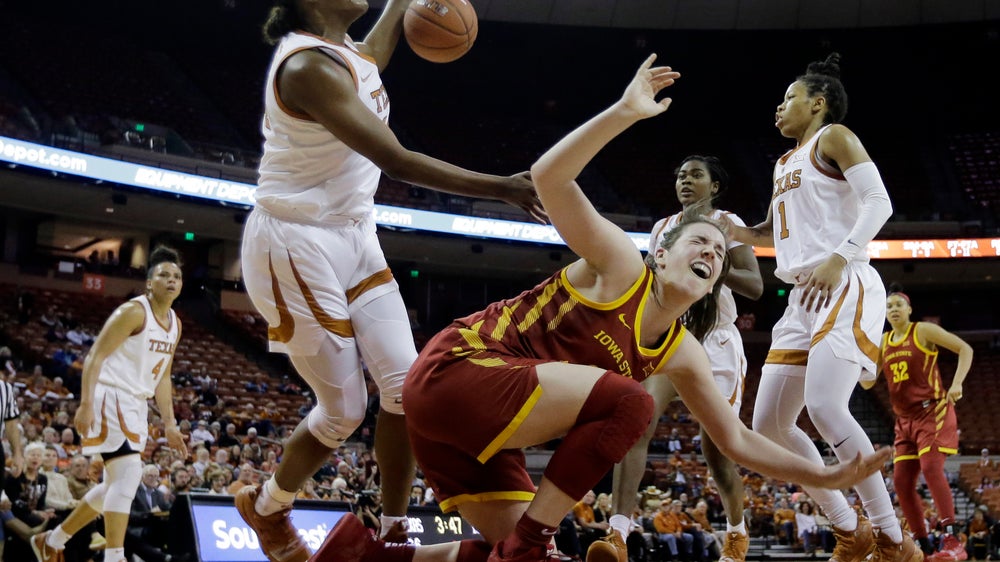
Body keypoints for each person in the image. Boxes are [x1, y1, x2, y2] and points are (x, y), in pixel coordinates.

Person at [308, 55, 891, 562]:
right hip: (459, 370)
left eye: (719, 251)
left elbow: (740, 442)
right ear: (660, 254)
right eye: (698, 242)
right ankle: (543, 536)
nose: (712, 253)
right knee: (631, 404)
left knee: (506, 554)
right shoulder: (620, 263)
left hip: (476, 436)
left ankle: (365, 553)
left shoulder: (682, 351)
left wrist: (823, 475)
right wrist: (624, 111)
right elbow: (548, 176)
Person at [234, 0, 544, 559]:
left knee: (409, 391)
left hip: (353, 231)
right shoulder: (306, 68)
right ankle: (270, 507)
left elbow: (371, 56)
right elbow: (396, 160)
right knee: (344, 412)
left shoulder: (345, 52)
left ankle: (393, 527)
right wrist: (502, 187)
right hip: (293, 240)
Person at [725, 52, 919, 562]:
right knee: (766, 424)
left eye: (788, 98)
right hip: (799, 297)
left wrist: (839, 257)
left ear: (818, 102)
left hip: (844, 279)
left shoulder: (834, 137)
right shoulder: (784, 162)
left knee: (827, 407)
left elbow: (880, 202)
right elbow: (773, 229)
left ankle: (892, 537)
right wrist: (738, 233)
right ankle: (847, 525)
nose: (778, 107)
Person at [594, 154, 763, 562]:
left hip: (716, 341)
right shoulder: (661, 228)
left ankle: (737, 533)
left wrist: (709, 264)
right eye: (681, 175)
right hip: (671, 335)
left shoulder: (727, 222)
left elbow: (755, 286)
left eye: (695, 175)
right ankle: (618, 532)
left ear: (715, 186)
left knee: (718, 451)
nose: (685, 181)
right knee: (636, 422)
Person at [30, 246, 188, 562]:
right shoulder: (133, 312)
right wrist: (86, 403)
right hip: (111, 394)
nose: (171, 280)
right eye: (164, 275)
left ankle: (52, 539)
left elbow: (164, 377)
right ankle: (114, 557)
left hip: (136, 403)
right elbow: (95, 356)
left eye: (177, 276)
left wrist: (170, 423)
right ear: (149, 282)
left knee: (115, 485)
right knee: (129, 476)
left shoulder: (175, 323)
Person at [860, 288, 974, 561]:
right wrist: (853, 355)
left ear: (909, 309)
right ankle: (924, 545)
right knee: (900, 482)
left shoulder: (922, 331)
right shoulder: (883, 342)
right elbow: (866, 382)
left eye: (899, 304)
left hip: (931, 411)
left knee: (931, 468)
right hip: (904, 420)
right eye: (889, 307)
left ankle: (952, 539)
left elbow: (965, 349)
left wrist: (957, 383)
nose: (894, 309)